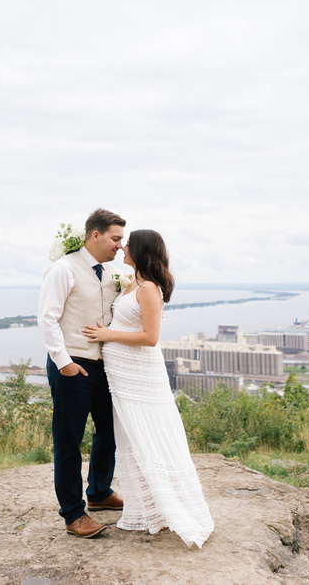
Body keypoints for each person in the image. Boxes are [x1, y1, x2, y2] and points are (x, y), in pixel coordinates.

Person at [82, 229, 214, 548]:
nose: (122, 247)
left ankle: (167, 508)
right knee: (131, 436)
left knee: (150, 434)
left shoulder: (149, 289)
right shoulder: (133, 284)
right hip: (123, 376)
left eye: (128, 244)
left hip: (141, 376)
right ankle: (145, 508)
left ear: (140, 251)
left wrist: (109, 336)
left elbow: (150, 337)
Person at [37, 208, 127, 538]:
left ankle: (100, 492)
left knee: (110, 431)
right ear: (95, 235)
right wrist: (65, 363)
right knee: (68, 442)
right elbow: (47, 318)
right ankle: (73, 514)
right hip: (72, 366)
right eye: (115, 238)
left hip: (104, 367)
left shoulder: (113, 272)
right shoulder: (63, 269)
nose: (120, 245)